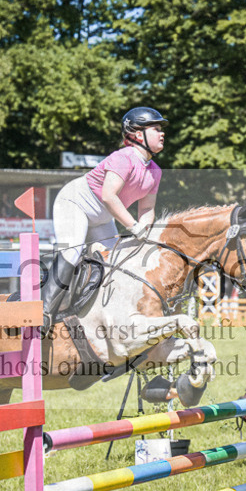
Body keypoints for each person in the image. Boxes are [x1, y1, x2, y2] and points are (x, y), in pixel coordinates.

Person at [42, 106, 167, 332]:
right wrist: (133, 227)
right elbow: (108, 195)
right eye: (156, 128)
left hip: (102, 217)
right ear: (138, 135)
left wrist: (146, 235)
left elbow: (147, 208)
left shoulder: (155, 171)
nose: (162, 133)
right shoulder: (124, 157)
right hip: (75, 204)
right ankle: (44, 312)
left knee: (116, 263)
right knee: (71, 251)